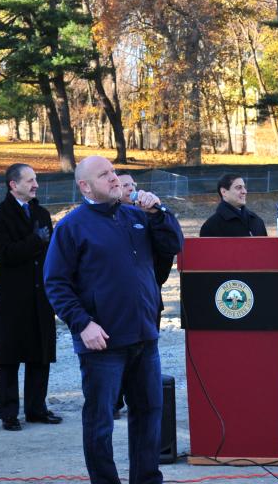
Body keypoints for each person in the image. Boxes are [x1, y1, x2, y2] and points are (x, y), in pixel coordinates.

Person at [45, 155, 183, 484]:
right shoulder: (71, 227)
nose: (114, 178)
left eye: (113, 172)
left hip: (144, 337)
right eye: (104, 175)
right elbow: (55, 283)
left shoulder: (137, 215)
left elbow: (173, 244)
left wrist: (159, 211)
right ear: (85, 186)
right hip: (102, 342)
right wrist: (82, 324)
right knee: (100, 421)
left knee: (149, 413)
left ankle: (146, 479)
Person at [0, 163, 61, 431]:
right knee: (9, 355)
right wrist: (35, 242)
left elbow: (49, 251)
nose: (35, 184)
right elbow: (4, 254)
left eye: (35, 179)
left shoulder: (41, 213)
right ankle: (8, 412)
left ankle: (36, 408)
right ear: (13, 185)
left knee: (39, 352)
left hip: (40, 294)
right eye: (29, 180)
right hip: (13, 297)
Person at [111, 173, 175, 420]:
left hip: (148, 300)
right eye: (125, 184)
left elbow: (168, 249)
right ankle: (114, 401)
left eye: (134, 185)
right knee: (118, 357)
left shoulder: (147, 216)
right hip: (117, 304)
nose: (131, 189)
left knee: (144, 357)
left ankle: (137, 400)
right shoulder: (108, 218)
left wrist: (159, 212)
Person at [200, 174, 268, 238]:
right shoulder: (211, 226)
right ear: (224, 192)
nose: (244, 191)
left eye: (244, 187)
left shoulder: (256, 221)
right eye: (239, 188)